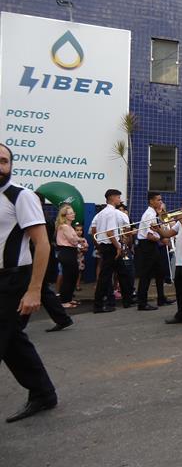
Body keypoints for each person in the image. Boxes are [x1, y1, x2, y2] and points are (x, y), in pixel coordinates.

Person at [0, 143, 58, 423]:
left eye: (4, 161)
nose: (0, 166)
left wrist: (34, 290)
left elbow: (42, 244)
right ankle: (43, 393)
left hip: (12, 280)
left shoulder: (20, 196)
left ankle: (43, 393)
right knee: (12, 342)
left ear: (11, 165)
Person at [34, 192, 74, 333]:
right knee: (43, 290)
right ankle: (62, 319)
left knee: (42, 289)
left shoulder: (39, 219)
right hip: (40, 257)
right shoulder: (43, 218)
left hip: (38, 258)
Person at [93, 190, 135, 312]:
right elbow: (110, 232)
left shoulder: (101, 213)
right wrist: (118, 247)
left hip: (105, 246)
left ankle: (126, 300)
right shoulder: (111, 213)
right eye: (118, 197)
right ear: (112, 198)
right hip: (111, 246)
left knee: (121, 273)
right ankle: (98, 305)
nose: (120, 199)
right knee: (106, 276)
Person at [136, 192, 174, 311]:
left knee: (160, 272)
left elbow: (161, 226)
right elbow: (149, 235)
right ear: (151, 201)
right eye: (158, 200)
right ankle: (142, 303)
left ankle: (161, 298)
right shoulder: (149, 214)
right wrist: (162, 239)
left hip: (153, 246)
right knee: (146, 275)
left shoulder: (154, 213)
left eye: (161, 200)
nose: (160, 202)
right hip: (147, 246)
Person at [55, 205, 87, 308]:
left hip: (70, 252)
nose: (73, 214)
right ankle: (64, 301)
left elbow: (74, 241)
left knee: (73, 275)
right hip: (66, 252)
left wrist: (80, 243)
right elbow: (72, 240)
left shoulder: (69, 227)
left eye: (73, 212)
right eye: (70, 213)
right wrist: (82, 240)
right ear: (65, 215)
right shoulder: (64, 226)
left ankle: (68, 299)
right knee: (68, 277)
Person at [73, 222, 87, 292]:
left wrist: (83, 248)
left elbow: (86, 248)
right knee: (72, 272)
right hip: (73, 258)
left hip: (81, 258)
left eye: (80, 230)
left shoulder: (83, 239)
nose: (79, 232)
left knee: (79, 272)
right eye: (77, 230)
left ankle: (77, 285)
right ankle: (72, 285)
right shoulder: (72, 239)